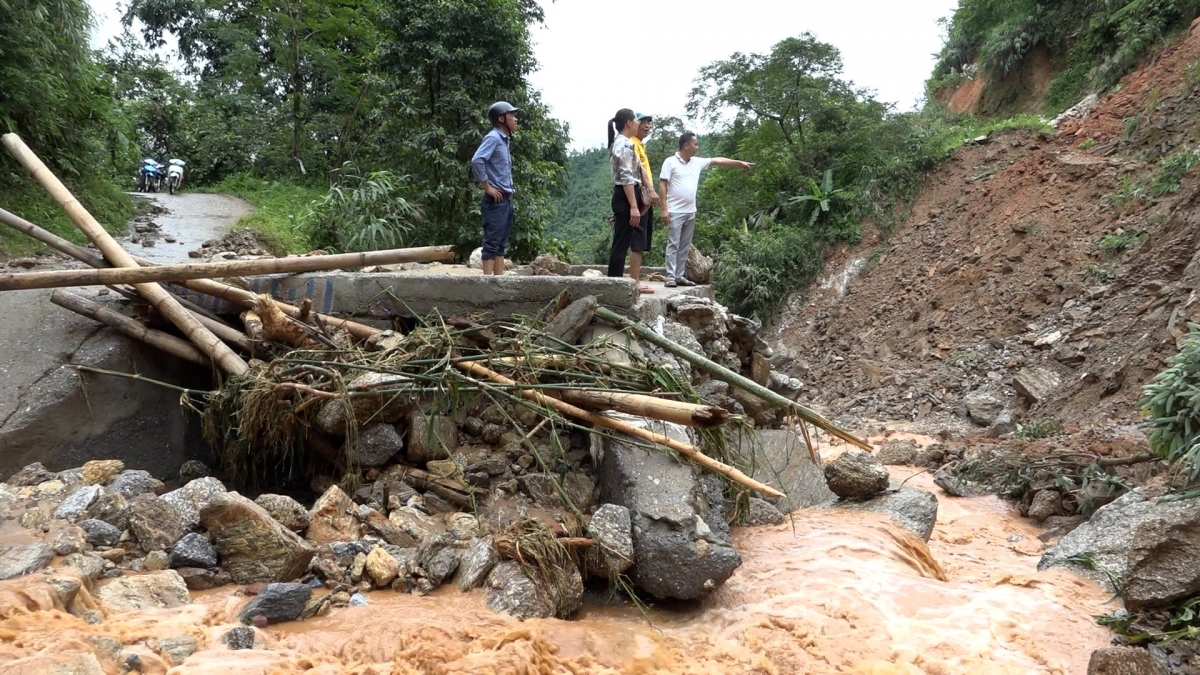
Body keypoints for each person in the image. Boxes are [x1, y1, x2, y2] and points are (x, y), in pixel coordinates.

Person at [659, 132, 753, 287]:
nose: (697, 147)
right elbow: (662, 185)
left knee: (684, 245)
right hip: (675, 210)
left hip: (691, 211)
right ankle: (670, 276)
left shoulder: (696, 162)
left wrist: (739, 163)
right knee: (673, 244)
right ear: (686, 145)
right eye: (695, 144)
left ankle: (679, 276)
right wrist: (664, 209)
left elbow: (718, 160)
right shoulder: (670, 162)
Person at [607, 108, 653, 293]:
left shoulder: (621, 143)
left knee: (622, 242)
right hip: (626, 196)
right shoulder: (625, 145)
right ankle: (614, 287)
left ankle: (613, 285)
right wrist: (634, 206)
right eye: (636, 121)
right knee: (621, 243)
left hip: (624, 196)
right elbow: (627, 178)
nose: (638, 124)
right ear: (628, 123)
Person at [470, 101, 519, 276]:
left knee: (500, 244)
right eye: (512, 116)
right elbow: (477, 160)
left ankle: (498, 282)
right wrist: (487, 187)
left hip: (506, 199)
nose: (516, 119)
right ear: (501, 118)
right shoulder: (493, 138)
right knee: (492, 243)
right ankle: (486, 284)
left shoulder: (504, 140)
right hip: (496, 200)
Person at [631, 112, 659, 251]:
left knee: (641, 241)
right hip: (639, 195)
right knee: (638, 241)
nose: (647, 126)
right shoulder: (632, 143)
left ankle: (634, 273)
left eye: (649, 123)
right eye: (644, 122)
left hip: (645, 196)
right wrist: (651, 191)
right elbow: (639, 170)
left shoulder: (641, 145)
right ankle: (633, 274)